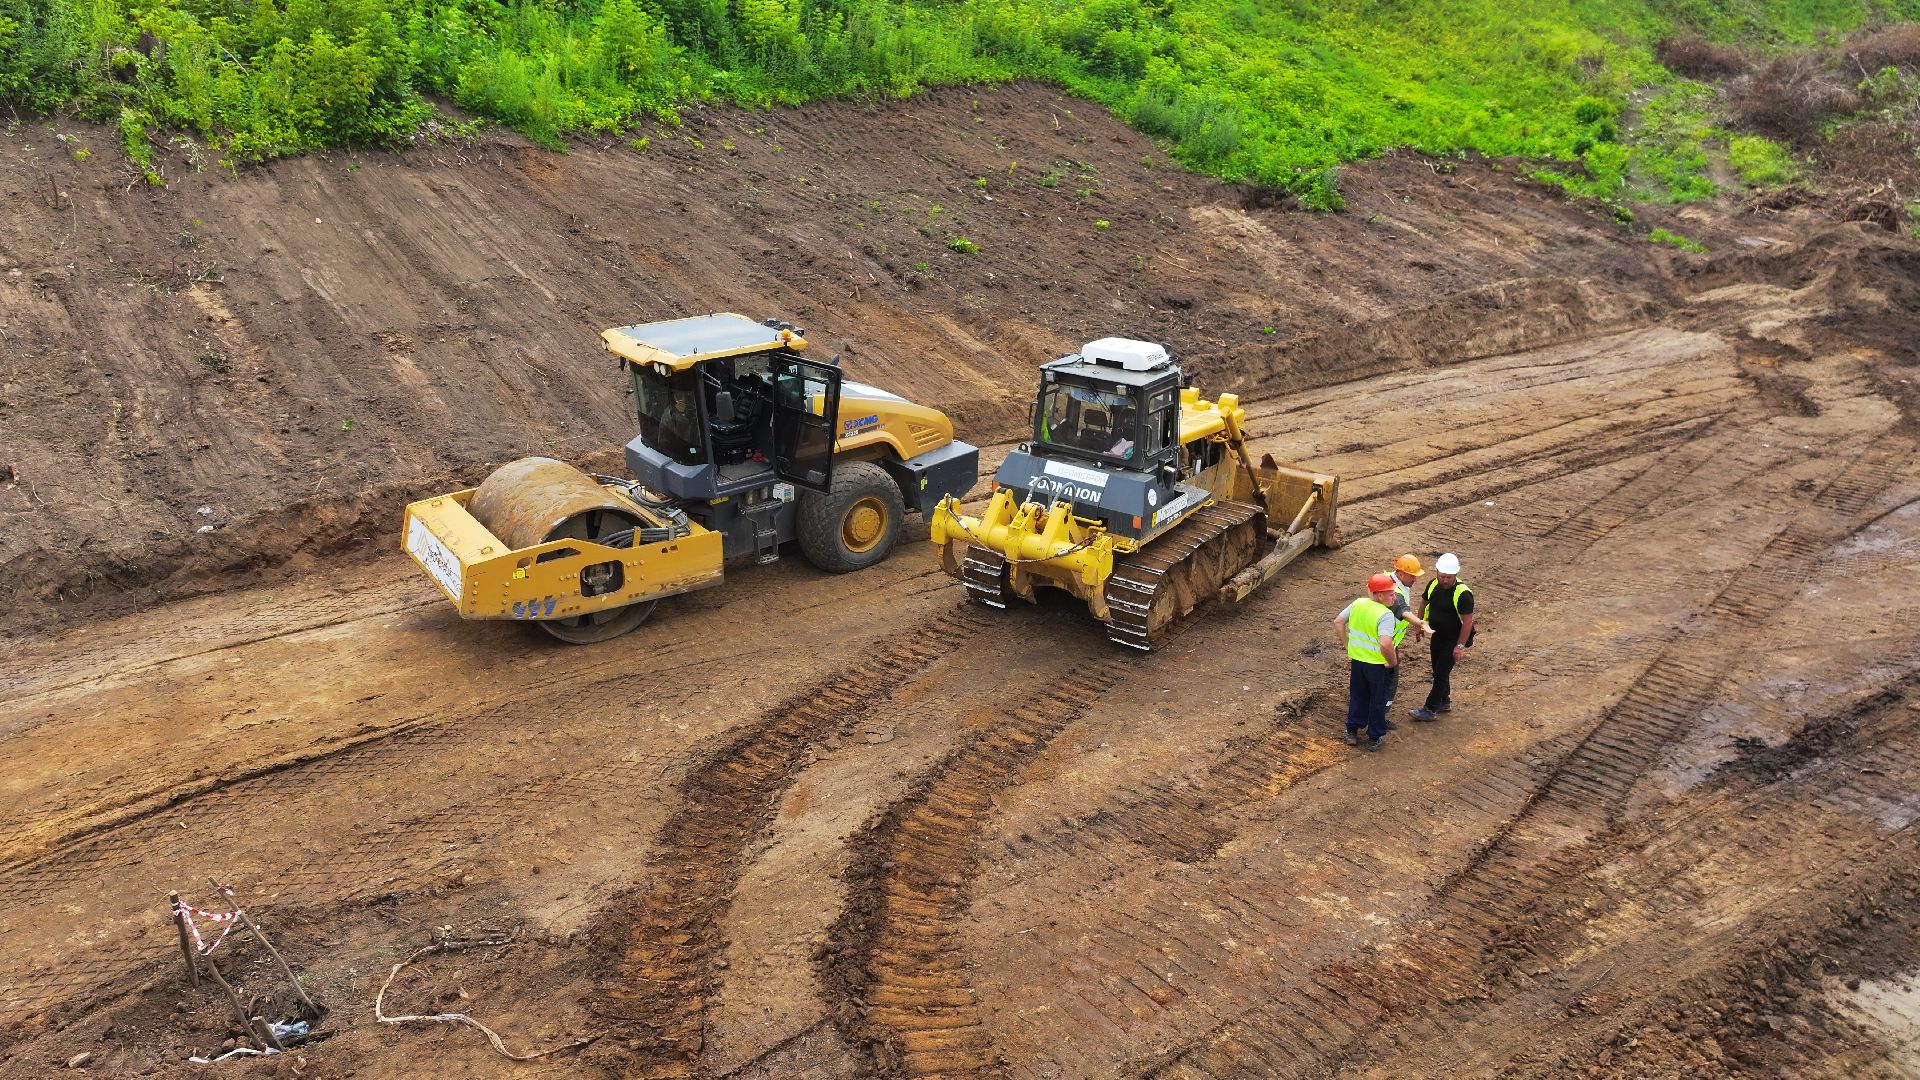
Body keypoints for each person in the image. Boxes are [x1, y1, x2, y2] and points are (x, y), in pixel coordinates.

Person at [1336, 573, 1400, 751]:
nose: (1394, 597)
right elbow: (1386, 643)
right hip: (1377, 665)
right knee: (1378, 699)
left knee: (1358, 695)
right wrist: (1392, 662)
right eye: (1391, 594)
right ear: (1379, 595)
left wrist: (1347, 645)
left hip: (1358, 661)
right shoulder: (1385, 614)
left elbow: (1338, 622)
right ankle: (1374, 737)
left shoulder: (1358, 603)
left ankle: (1351, 731)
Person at [1410, 553, 1475, 721]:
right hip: (1437, 635)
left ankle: (1430, 709)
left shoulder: (1463, 594)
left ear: (1455, 575)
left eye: (1448, 577)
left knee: (1440, 672)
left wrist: (1460, 646)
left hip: (1453, 638)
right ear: (1437, 572)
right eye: (1442, 576)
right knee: (1438, 669)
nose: (1444, 580)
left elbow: (1467, 622)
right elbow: (1424, 603)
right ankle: (1444, 701)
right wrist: (1419, 625)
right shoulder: (1433, 584)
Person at [1381, 554, 1432, 719]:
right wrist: (1420, 623)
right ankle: (1379, 716)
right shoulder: (1393, 591)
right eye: (1412, 575)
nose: (1415, 579)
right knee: (1388, 679)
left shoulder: (1391, 581)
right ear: (1401, 573)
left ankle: (1379, 714)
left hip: (1387, 640)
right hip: (1384, 643)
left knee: (1385, 679)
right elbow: (1403, 611)